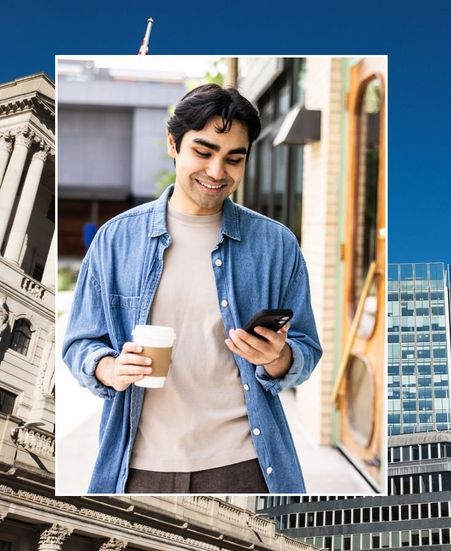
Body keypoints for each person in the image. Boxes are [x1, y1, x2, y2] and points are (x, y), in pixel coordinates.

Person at [62, 84, 322, 494]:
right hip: (137, 466)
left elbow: (306, 348)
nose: (218, 172)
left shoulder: (277, 245)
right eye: (203, 152)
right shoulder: (115, 240)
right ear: (173, 143)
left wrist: (277, 358)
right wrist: (109, 368)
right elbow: (79, 343)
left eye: (234, 159)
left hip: (246, 465)